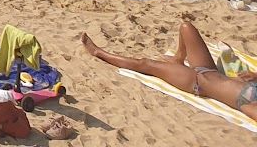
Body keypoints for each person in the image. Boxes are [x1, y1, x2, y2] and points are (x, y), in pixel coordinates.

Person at [81, 23, 257, 121]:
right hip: (208, 69)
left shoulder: (250, 105)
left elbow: (250, 112)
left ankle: (99, 52)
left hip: (196, 82)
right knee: (186, 27)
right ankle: (178, 57)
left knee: (146, 64)